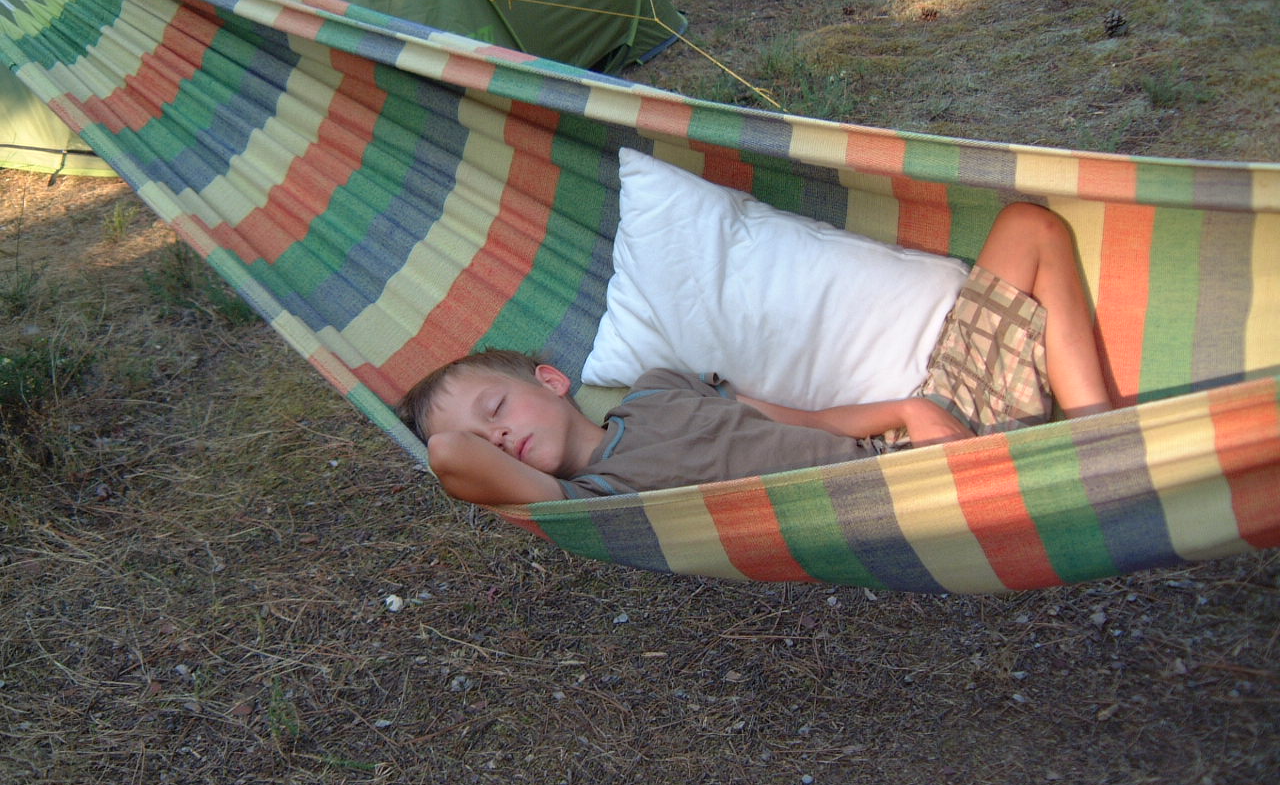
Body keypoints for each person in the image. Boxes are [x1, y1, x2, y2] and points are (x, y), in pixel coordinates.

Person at [399, 203, 1112, 505]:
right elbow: (450, 456)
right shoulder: (590, 503)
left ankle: (1106, 443)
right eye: (483, 439)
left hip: (909, 444)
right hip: (901, 501)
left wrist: (909, 410)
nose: (495, 436)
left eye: (496, 407)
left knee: (1029, 226)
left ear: (552, 379)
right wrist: (463, 439)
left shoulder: (659, 387)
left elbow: (808, 422)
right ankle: (1110, 464)